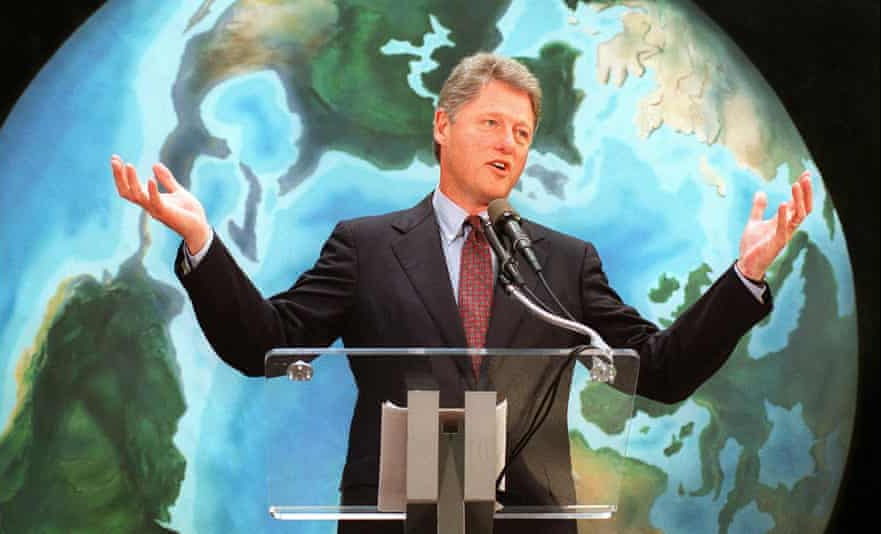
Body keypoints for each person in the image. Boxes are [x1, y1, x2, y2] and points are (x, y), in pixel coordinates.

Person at [111, 53, 812, 534]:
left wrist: (744, 277)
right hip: (398, 521)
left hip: (526, 524)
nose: (509, 143)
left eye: (523, 133)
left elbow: (658, 372)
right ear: (443, 126)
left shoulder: (562, 264)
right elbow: (263, 341)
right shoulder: (365, 246)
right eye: (491, 123)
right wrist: (202, 241)